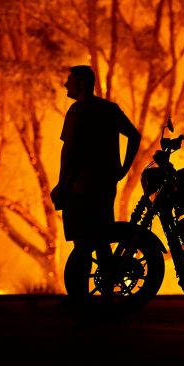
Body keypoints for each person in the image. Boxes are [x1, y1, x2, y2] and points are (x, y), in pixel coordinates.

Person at [51, 65, 141, 290]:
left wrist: (62, 184)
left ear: (81, 83)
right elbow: (134, 135)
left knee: (81, 241)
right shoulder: (109, 109)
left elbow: (68, 151)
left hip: (80, 187)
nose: (65, 84)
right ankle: (107, 291)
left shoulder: (77, 111)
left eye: (69, 80)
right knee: (102, 238)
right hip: (105, 185)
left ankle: (80, 295)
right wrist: (122, 169)